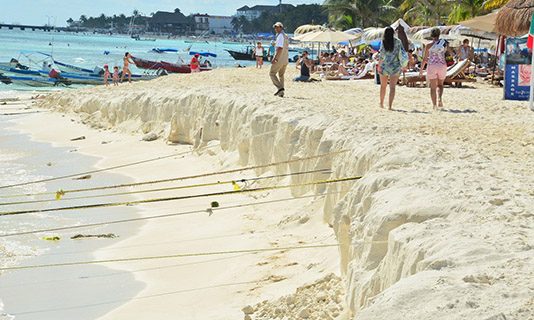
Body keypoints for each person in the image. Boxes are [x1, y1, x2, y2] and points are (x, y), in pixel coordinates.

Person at [420, 28, 452, 109]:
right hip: (442, 65)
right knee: (440, 85)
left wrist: (421, 70)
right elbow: (450, 53)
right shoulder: (444, 43)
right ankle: (440, 98)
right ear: (439, 34)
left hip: (432, 66)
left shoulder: (428, 46)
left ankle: (434, 105)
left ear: (431, 35)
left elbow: (424, 59)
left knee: (433, 87)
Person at [377, 26, 407, 110]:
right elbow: (402, 53)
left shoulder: (383, 41)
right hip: (395, 66)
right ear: (393, 33)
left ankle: (381, 103)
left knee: (383, 86)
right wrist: (404, 65)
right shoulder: (398, 42)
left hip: (385, 66)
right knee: (392, 87)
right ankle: (390, 106)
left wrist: (379, 66)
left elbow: (381, 55)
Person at [270, 22, 289, 97]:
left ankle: (280, 88)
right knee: (281, 75)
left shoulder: (280, 36)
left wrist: (275, 58)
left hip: (280, 58)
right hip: (285, 58)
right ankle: (281, 93)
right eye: (275, 27)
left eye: (277, 27)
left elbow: (280, 49)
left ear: (281, 27)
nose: (276, 29)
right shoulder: (285, 36)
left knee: (272, 73)